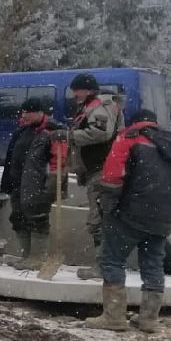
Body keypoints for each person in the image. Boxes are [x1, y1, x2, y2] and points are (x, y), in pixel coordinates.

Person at [86, 108, 171, 332]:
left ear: (136, 122)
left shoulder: (128, 138)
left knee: (112, 260)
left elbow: (111, 177)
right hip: (162, 217)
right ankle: (149, 319)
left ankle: (114, 317)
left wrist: (108, 207)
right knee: (154, 264)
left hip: (130, 214)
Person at [63, 73, 123, 278]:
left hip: (103, 170)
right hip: (95, 169)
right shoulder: (90, 106)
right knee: (99, 218)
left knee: (100, 219)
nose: (74, 94)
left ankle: (104, 267)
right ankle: (106, 265)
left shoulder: (101, 105)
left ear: (87, 89)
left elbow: (101, 133)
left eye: (76, 90)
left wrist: (70, 136)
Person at [0, 97, 60, 269]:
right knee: (18, 218)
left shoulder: (52, 131)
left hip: (37, 184)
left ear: (40, 112)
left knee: (37, 218)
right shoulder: (23, 130)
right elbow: (11, 157)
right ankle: (26, 255)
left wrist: (52, 185)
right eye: (23, 111)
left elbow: (59, 161)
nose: (24, 115)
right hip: (17, 182)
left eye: (28, 112)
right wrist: (7, 183)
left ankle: (38, 258)